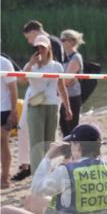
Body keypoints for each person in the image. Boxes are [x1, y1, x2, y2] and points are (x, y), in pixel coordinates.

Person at [21, 35, 73, 173]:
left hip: (52, 106)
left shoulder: (56, 66)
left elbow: (61, 88)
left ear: (49, 47)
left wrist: (68, 108)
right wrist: (31, 64)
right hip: (36, 107)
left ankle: (47, 171)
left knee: (49, 143)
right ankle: (37, 175)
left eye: (42, 47)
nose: (40, 50)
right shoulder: (31, 66)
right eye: (38, 47)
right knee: (36, 143)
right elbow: (21, 81)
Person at [58, 29, 85, 137]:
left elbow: (66, 80)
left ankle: (74, 152)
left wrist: (53, 87)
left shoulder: (75, 57)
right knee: (64, 128)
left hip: (72, 97)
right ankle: (68, 153)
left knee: (71, 128)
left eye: (63, 40)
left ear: (72, 42)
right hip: (64, 96)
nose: (61, 42)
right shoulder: (64, 58)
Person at [1, 55, 19, 189]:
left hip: (4, 108)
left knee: (3, 143)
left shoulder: (5, 63)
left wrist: (14, 111)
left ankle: (5, 177)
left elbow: (13, 88)